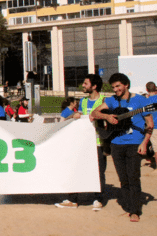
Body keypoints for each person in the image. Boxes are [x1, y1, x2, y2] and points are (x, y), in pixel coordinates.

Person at [90, 73, 153, 222]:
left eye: (118, 86)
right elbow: (94, 113)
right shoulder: (112, 100)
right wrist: (107, 117)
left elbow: (150, 124)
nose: (116, 89)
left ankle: (135, 211)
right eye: (113, 87)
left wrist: (144, 143)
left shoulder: (140, 100)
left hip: (135, 144)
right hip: (116, 144)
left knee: (133, 177)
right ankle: (129, 205)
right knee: (123, 179)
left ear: (126, 85)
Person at [55, 74, 105, 211]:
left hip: (98, 142)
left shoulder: (103, 100)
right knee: (76, 169)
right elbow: (79, 119)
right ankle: (73, 199)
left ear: (94, 86)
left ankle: (98, 199)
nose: (83, 85)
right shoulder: (82, 101)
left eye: (85, 83)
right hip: (83, 142)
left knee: (99, 172)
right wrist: (74, 115)